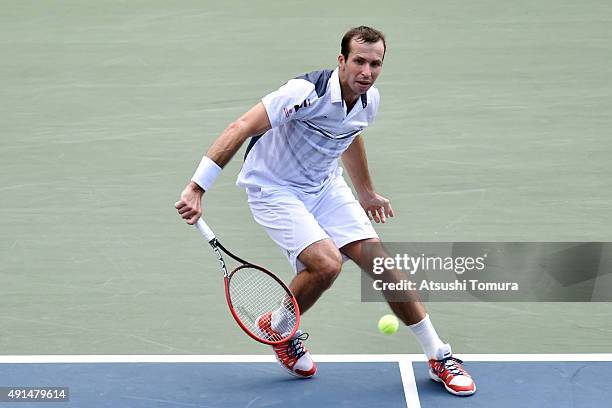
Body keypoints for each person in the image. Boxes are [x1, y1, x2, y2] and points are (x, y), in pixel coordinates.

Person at [175, 26, 476, 396]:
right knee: (327, 264)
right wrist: (196, 187)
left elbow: (350, 134)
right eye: (359, 62)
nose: (366, 72)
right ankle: (284, 329)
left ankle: (439, 355)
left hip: (325, 186)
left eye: (375, 64)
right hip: (274, 188)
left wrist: (365, 192)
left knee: (381, 265)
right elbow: (240, 127)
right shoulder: (303, 94)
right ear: (341, 61)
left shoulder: (370, 100)